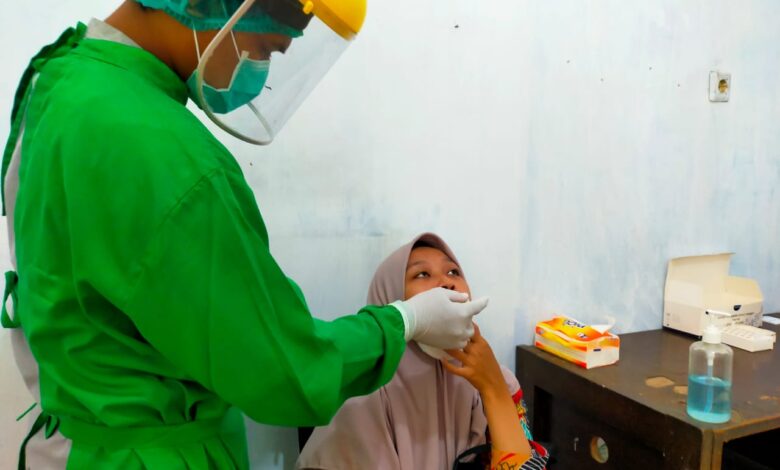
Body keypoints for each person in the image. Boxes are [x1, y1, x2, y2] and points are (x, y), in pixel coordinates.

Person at [1, 1, 489, 468]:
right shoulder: (166, 156)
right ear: (202, 3)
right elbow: (282, 371)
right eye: (264, 49)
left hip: (73, 444)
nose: (258, 76)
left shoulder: (59, 83)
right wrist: (405, 321)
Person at [297, 233, 549, 470]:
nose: (447, 282)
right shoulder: (361, 397)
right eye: (422, 274)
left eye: (453, 271)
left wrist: (493, 388)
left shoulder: (493, 379)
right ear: (390, 300)